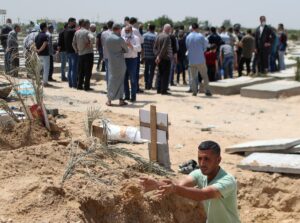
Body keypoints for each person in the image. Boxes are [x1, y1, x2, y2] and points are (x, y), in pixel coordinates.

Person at [140, 140, 241, 223]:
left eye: (207, 159)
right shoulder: (199, 173)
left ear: (218, 160)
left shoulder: (227, 180)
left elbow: (204, 194)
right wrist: (156, 184)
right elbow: (179, 185)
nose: (202, 163)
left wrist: (174, 188)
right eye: (200, 158)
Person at [105, 24, 128, 106]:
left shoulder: (107, 38)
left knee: (111, 80)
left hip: (111, 62)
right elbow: (126, 50)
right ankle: (121, 100)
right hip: (120, 63)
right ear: (118, 29)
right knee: (121, 81)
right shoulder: (120, 39)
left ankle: (109, 100)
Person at [186, 23, 212, 96]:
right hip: (200, 60)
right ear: (197, 28)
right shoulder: (201, 36)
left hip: (191, 60)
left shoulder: (188, 37)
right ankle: (207, 91)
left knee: (193, 77)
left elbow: (187, 47)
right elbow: (205, 47)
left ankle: (194, 92)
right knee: (204, 76)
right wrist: (201, 51)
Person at [72, 19, 94, 91]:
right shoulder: (87, 32)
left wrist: (76, 50)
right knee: (88, 71)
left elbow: (73, 43)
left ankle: (79, 85)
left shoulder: (77, 32)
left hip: (80, 54)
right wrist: (90, 44)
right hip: (88, 54)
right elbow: (92, 38)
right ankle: (86, 87)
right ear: (86, 25)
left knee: (80, 71)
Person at [122, 25, 141, 102]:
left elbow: (139, 49)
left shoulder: (136, 38)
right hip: (124, 59)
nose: (126, 32)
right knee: (124, 78)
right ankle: (126, 95)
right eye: (125, 31)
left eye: (128, 31)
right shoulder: (122, 38)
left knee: (133, 79)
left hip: (132, 60)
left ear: (131, 31)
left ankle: (133, 96)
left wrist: (131, 46)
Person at [153, 24, 172, 95]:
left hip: (159, 58)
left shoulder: (158, 35)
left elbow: (154, 47)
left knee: (159, 73)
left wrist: (157, 56)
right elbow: (164, 48)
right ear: (168, 29)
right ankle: (163, 90)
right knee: (165, 74)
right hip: (165, 58)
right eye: (170, 29)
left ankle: (158, 89)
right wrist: (159, 57)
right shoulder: (167, 37)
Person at [35, 22, 50, 87]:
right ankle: (45, 82)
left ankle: (37, 81)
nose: (47, 28)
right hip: (45, 54)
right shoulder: (45, 35)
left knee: (38, 68)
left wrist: (37, 50)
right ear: (44, 28)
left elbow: (35, 44)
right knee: (46, 69)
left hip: (39, 54)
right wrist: (40, 50)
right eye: (46, 27)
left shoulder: (37, 35)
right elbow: (44, 44)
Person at [64, 17, 78, 88]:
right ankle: (74, 84)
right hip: (73, 51)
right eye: (74, 22)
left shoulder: (66, 30)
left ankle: (70, 84)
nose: (75, 23)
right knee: (74, 69)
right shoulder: (72, 31)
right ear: (70, 22)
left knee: (70, 68)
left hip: (68, 52)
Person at [143, 24, 157, 90]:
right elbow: (155, 48)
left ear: (148, 28)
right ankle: (150, 84)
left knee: (146, 70)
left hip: (145, 56)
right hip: (152, 56)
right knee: (151, 71)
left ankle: (146, 84)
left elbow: (142, 46)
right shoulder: (155, 36)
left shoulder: (144, 35)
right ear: (154, 29)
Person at [101, 20, 114, 87]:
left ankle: (108, 86)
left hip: (106, 54)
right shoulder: (115, 33)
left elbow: (102, 43)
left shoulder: (103, 33)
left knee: (108, 71)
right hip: (114, 55)